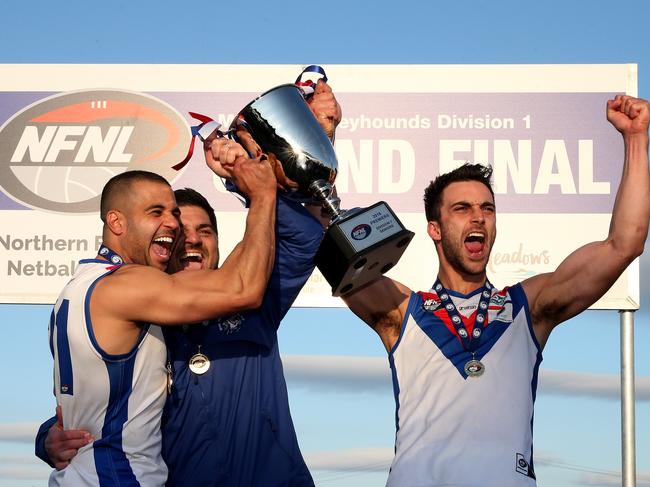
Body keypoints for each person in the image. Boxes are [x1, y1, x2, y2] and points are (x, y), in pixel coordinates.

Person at [37, 80, 341, 487]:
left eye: (205, 231)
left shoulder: (256, 296)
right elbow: (100, 405)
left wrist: (247, 183)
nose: (192, 238)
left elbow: (303, 237)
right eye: (179, 231)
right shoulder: (142, 309)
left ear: (223, 244)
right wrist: (48, 438)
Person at [343, 94, 650, 486]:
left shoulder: (528, 306)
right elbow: (341, 263)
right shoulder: (404, 311)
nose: (479, 217)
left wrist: (636, 139)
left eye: (487, 208)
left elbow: (624, 245)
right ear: (435, 230)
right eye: (462, 208)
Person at [43, 154, 278, 486]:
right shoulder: (124, 285)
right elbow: (243, 288)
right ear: (117, 222)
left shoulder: (77, 289)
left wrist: (46, 438)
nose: (173, 223)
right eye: (155, 212)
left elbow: (82, 409)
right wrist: (264, 195)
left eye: (174, 212)